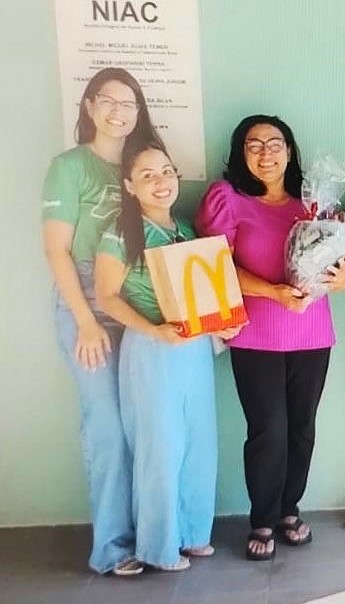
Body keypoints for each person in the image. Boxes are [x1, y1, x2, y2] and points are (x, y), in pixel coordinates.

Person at [195, 115, 345, 560]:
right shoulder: (228, 200)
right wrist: (273, 292)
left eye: (275, 143)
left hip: (312, 333)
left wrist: (344, 273)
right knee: (268, 430)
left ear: (290, 151)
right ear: (240, 153)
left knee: (302, 428)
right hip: (255, 336)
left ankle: (289, 510)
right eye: (254, 145)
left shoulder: (313, 204)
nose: (266, 153)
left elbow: (343, 263)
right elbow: (215, 266)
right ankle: (262, 518)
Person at [94, 137, 238, 572]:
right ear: (129, 185)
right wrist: (154, 329)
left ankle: (192, 534)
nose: (161, 182)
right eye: (147, 175)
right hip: (152, 350)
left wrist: (223, 323)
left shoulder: (187, 231)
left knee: (197, 443)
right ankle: (158, 546)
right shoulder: (121, 233)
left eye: (166, 171)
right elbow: (106, 297)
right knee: (161, 448)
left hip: (194, 351)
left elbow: (203, 294)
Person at [40, 67, 162, 575]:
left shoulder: (142, 163)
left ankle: (155, 537)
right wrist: (85, 321)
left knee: (144, 424)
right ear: (89, 106)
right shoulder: (69, 167)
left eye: (129, 103)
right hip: (87, 302)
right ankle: (112, 547)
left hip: (138, 298)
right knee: (107, 427)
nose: (119, 111)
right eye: (108, 100)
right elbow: (57, 250)